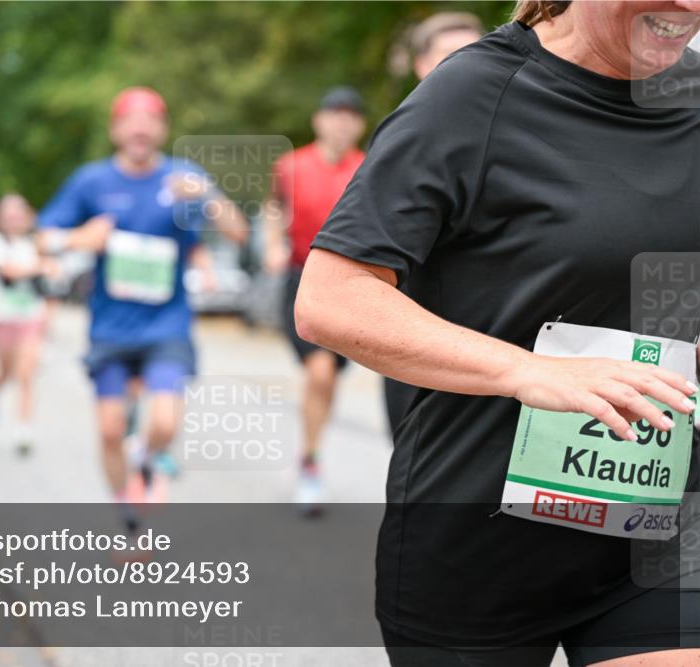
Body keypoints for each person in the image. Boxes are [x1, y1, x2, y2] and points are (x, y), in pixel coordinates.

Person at [295, 1, 699, 665]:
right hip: (475, 542)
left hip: (655, 533)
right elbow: (331, 298)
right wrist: (531, 371)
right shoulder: (472, 95)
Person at [38, 86, 247, 531]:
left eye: (150, 120)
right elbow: (43, 238)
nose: (140, 129)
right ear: (115, 130)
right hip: (110, 328)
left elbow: (238, 233)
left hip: (166, 325)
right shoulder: (91, 182)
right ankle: (126, 510)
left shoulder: (184, 178)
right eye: (130, 121)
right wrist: (77, 238)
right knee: (110, 430)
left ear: (162, 129)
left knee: (165, 423)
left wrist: (208, 195)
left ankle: (147, 458)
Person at [263, 86, 367, 517]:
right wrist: (272, 244)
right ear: (318, 120)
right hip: (301, 277)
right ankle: (310, 464)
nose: (341, 123)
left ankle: (311, 451)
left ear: (359, 125)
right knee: (320, 371)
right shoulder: (290, 165)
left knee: (328, 378)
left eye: (350, 116)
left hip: (351, 283)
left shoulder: (369, 167)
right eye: (334, 114)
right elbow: (274, 210)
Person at [384, 13, 484, 437]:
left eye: (477, 53)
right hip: (420, 344)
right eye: (451, 56)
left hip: (505, 351)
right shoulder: (403, 140)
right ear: (421, 65)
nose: (469, 67)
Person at [0, 194, 51, 456]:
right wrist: (40, 266)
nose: (13, 220)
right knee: (5, 372)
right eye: (8, 216)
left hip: (31, 316)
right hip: (3, 317)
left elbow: (54, 272)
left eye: (18, 215)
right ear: (0, 219)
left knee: (25, 374)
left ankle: (24, 429)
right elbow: (8, 271)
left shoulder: (37, 242)